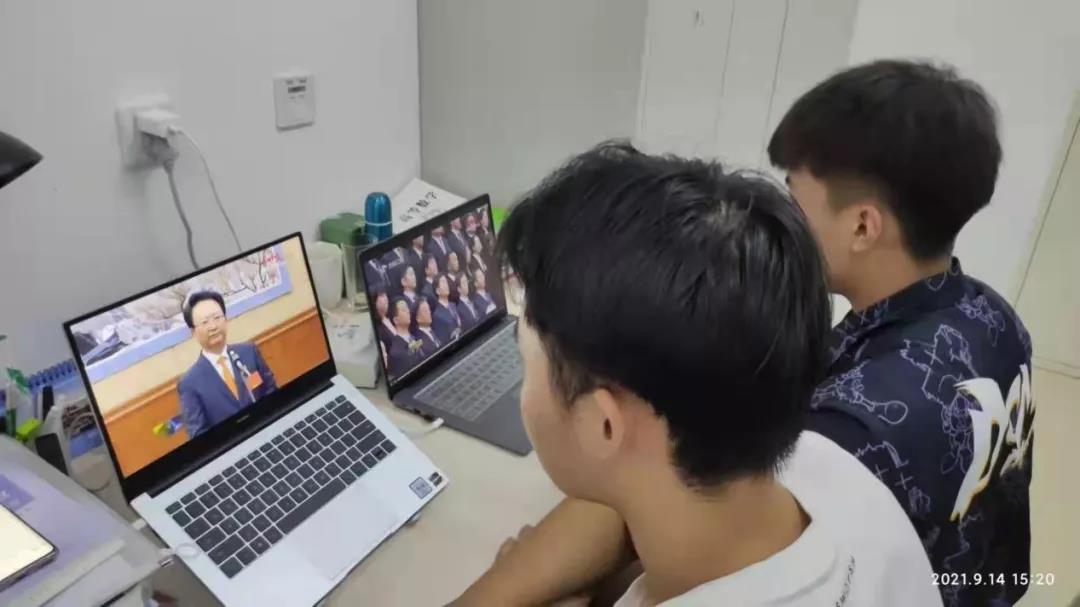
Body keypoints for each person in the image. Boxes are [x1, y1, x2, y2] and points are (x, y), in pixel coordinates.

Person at [458, 61, 1032, 607]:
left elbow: (682, 487)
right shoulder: (991, 316)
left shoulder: (859, 431)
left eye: (794, 194)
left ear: (863, 225)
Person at [178, 290, 278, 438]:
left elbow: (271, 391)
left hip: (269, 430)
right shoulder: (189, 383)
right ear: (193, 331)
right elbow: (198, 433)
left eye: (217, 318)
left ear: (225, 319)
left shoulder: (249, 352)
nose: (213, 326)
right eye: (205, 322)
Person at [385, 297, 423, 378]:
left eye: (407, 308)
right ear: (396, 320)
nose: (408, 311)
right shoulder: (396, 352)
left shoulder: (415, 337)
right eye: (403, 309)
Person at [432, 274, 462, 344]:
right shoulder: (437, 315)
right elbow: (443, 339)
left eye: (446, 282)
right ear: (437, 291)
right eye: (443, 283)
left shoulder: (453, 305)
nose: (446, 285)